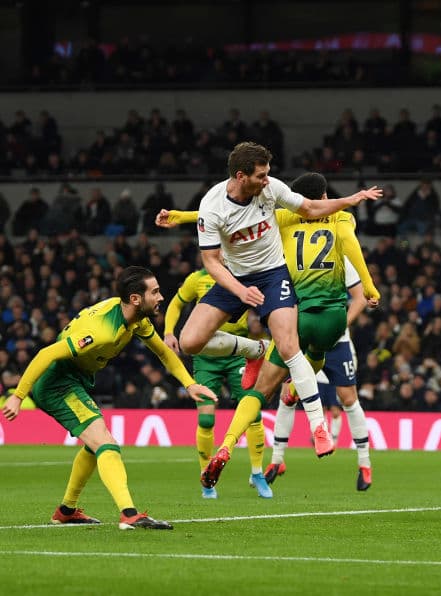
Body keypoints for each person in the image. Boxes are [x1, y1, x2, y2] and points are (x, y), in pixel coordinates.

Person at [158, 172, 379, 489]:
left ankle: (231, 443)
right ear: (324, 197)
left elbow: (233, 218)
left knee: (263, 391)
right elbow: (353, 251)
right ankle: (318, 449)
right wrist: (370, 288)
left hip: (295, 313)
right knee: (344, 396)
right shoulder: (342, 218)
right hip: (332, 325)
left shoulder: (284, 217)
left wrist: (181, 217)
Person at [1, 266, 216, 530]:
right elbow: (47, 354)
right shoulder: (101, 331)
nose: (161, 297)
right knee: (106, 443)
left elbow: (163, 352)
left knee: (94, 445)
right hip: (56, 382)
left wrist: (190, 383)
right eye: (155, 292)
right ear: (136, 299)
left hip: (75, 378)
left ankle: (66, 511)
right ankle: (129, 514)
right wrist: (17, 397)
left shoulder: (135, 318)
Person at [264, 253, 375, 491]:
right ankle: (276, 459)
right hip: (300, 336)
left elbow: (360, 299)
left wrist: (338, 326)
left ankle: (365, 463)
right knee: (288, 394)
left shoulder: (339, 255)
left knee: (348, 399)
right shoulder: (291, 255)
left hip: (337, 342)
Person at [162, 262, 273, 499]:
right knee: (205, 418)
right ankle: (206, 477)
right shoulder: (196, 278)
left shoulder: (245, 271)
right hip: (206, 355)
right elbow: (176, 303)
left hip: (238, 351)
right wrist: (169, 332)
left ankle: (257, 473)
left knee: (253, 412)